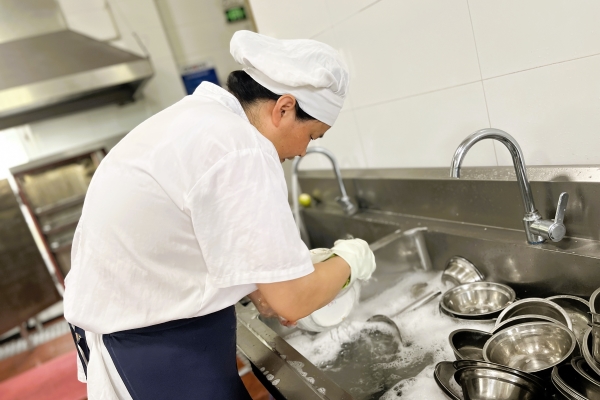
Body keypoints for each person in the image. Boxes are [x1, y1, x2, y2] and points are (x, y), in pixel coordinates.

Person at [63, 30, 376, 399]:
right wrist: (354, 258)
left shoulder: (207, 121)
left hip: (147, 331)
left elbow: (197, 230)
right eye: (312, 136)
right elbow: (293, 301)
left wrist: (267, 283)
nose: (303, 152)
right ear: (284, 108)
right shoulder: (242, 149)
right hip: (155, 347)